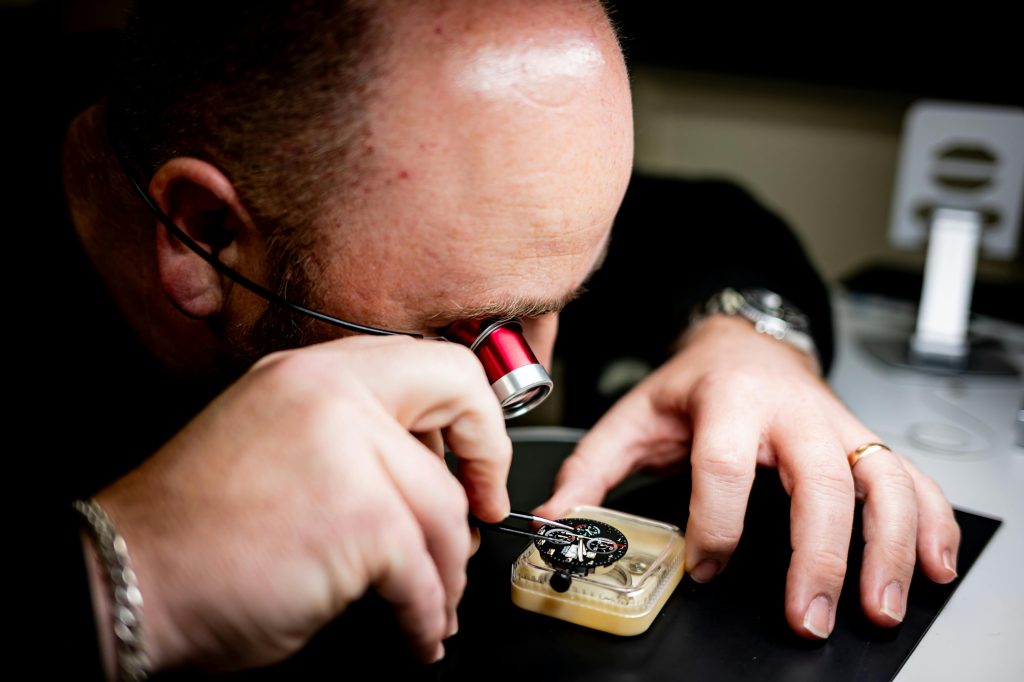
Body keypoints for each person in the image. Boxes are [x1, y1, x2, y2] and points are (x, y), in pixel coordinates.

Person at [41, 0, 960, 678]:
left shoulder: (437, 199)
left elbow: (714, 221)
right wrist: (131, 568)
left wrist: (750, 336)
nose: (535, 377)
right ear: (205, 236)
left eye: (569, 294)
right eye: (476, 329)